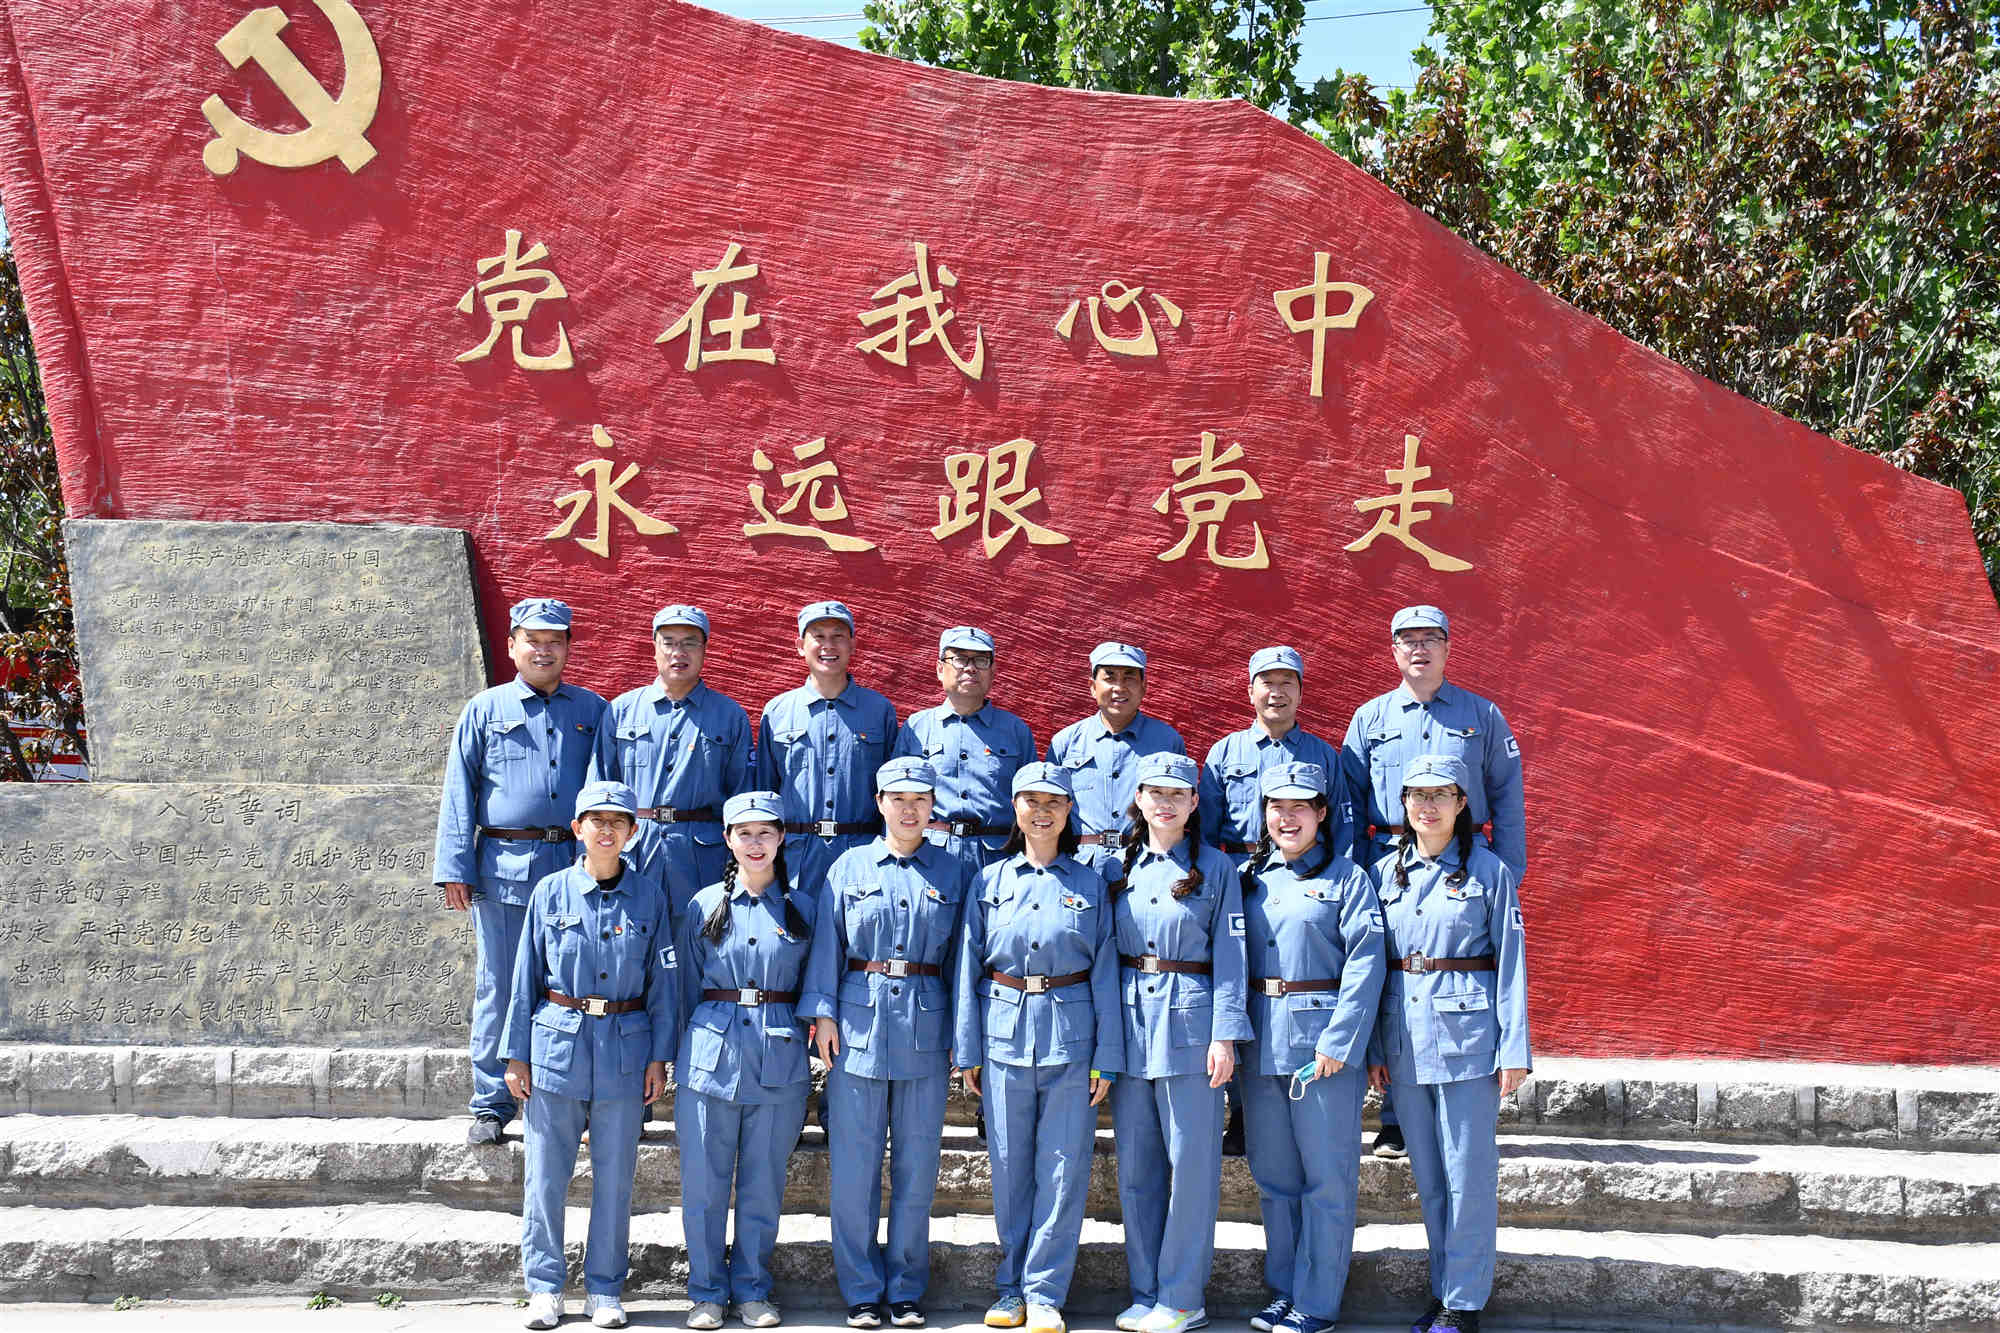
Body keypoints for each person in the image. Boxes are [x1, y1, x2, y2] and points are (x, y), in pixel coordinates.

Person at [1341, 607, 1523, 1160]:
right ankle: (1396, 1117)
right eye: (1408, 640)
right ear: (1393, 650)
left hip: (1464, 860)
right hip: (1388, 861)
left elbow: (1507, 794)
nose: (1419, 649)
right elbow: (1350, 803)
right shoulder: (1369, 718)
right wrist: (1354, 875)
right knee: (1393, 978)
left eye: (1430, 639)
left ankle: (1459, 1109)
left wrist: (1505, 871)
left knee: (1451, 975)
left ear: (1448, 647)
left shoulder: (1481, 715)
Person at [802, 757, 973, 1329]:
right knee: (854, 1169)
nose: (909, 809)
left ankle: (904, 1287)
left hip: (926, 1027)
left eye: (920, 799)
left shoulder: (954, 872)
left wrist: (961, 1035)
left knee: (917, 1170)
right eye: (897, 799)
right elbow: (827, 945)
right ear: (879, 803)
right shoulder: (848, 867)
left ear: (932, 806)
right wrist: (823, 1015)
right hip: (857, 1026)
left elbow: (963, 959)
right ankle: (860, 1289)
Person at [500, 780, 677, 1331]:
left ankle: (604, 1287)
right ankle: (544, 1286)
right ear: (577, 829)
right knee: (545, 1177)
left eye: (617, 821)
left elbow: (662, 983)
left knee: (615, 1178)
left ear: (632, 832)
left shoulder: (649, 896)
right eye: (596, 820)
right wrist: (516, 1056)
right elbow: (524, 976)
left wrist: (659, 1057)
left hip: (625, 1048)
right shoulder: (550, 893)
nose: (606, 830)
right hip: (557, 1045)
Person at [954, 763, 1122, 1333]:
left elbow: (1106, 971)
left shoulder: (1090, 884)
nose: (1042, 812)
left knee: (1063, 1170)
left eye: (1054, 802)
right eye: (1031, 801)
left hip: (1071, 1041)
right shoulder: (989, 880)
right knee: (1008, 1167)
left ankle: (1045, 1292)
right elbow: (968, 965)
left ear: (1070, 811)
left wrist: (1108, 1056)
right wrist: (967, 1049)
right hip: (1002, 1036)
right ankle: (1011, 1288)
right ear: (1015, 807)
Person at [1365, 756, 1531, 1333]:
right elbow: (1373, 967)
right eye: (1417, 795)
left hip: (1468, 1041)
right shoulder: (1383, 873)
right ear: (1403, 804)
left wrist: (1515, 1049)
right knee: (1431, 1179)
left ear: (1462, 804)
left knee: (1468, 1177)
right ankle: (1445, 1293)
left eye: (1441, 795)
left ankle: (1463, 1303)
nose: (1428, 806)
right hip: (1404, 1041)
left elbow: (1510, 962)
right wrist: (1375, 1048)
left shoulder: (1488, 871)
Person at [435, 597, 608, 1145]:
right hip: (504, 869)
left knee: (575, 985)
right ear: (512, 646)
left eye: (555, 641)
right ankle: (493, 1103)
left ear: (569, 648)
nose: (544, 650)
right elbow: (459, 791)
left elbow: (606, 791)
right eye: (533, 640)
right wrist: (455, 866)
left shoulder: (593, 711)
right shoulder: (484, 710)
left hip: (575, 868)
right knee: (501, 985)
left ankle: (576, 1097)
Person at [1238, 762, 1386, 1333]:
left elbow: (1366, 964)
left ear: (1322, 814)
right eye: (1276, 806)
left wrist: (1340, 1041)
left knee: (1326, 1179)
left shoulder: (1349, 878)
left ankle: (1317, 1303)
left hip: (1321, 1046)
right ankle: (1285, 1290)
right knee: (1274, 1177)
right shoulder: (1248, 876)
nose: (1287, 817)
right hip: (1262, 1042)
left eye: (1300, 806)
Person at [1106, 753, 1251, 1333]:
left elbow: (1233, 957)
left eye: (1178, 794)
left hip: (1191, 1027)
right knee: (1137, 1169)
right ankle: (1147, 1291)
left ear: (1194, 803)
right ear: (1139, 799)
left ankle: (1183, 1296)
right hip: (1129, 1023)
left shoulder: (1216, 869)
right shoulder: (1115, 864)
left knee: (1191, 1169)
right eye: (1155, 792)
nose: (1165, 803)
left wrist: (1225, 1035)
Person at [1197, 645, 1353, 1156]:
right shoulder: (1225, 754)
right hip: (1243, 882)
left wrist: (1330, 886)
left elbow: (1343, 829)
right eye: (1267, 682)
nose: (1277, 692)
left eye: (1288, 682)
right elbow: (1206, 831)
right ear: (1250, 691)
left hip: (1308, 883)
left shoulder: (1325, 756)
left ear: (1301, 692)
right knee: (1241, 987)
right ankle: (1243, 1111)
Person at [675, 791, 821, 1330]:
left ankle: (753, 1289)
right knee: (704, 1186)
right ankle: (707, 1292)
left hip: (778, 1058)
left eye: (765, 833)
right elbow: (684, 987)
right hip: (710, 1057)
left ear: (782, 839)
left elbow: (813, 985)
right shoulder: (702, 905)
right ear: (727, 839)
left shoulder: (803, 908)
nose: (755, 843)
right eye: (744, 833)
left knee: (763, 1185)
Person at [588, 603, 751, 925]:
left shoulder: (730, 716)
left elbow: (741, 797)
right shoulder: (621, 711)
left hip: (701, 859)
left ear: (704, 649)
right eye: (669, 642)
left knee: (695, 945)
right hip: (633, 852)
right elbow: (599, 791)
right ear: (654, 648)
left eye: (690, 642)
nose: (679, 652)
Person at [756, 600, 900, 899]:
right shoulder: (778, 712)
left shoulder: (879, 711)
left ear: (853, 645)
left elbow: (893, 792)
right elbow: (764, 792)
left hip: (862, 854)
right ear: (800, 646)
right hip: (796, 859)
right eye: (818, 636)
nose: (828, 645)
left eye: (838, 636)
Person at [894, 626, 1035, 872]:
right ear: (940, 668)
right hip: (930, 855)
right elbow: (893, 799)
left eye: (980, 660)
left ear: (993, 671)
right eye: (959, 659)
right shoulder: (916, 728)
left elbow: (1033, 802)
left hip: (997, 858)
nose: (970, 668)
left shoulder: (1015, 731)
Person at [1046, 641, 1186, 872]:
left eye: (1129, 677)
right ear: (1092, 686)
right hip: (1079, 866)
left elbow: (1184, 809)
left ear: (1144, 686)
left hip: (1146, 864)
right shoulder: (1066, 742)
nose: (1119, 687)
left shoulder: (1167, 742)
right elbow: (1047, 807)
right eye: (1109, 677)